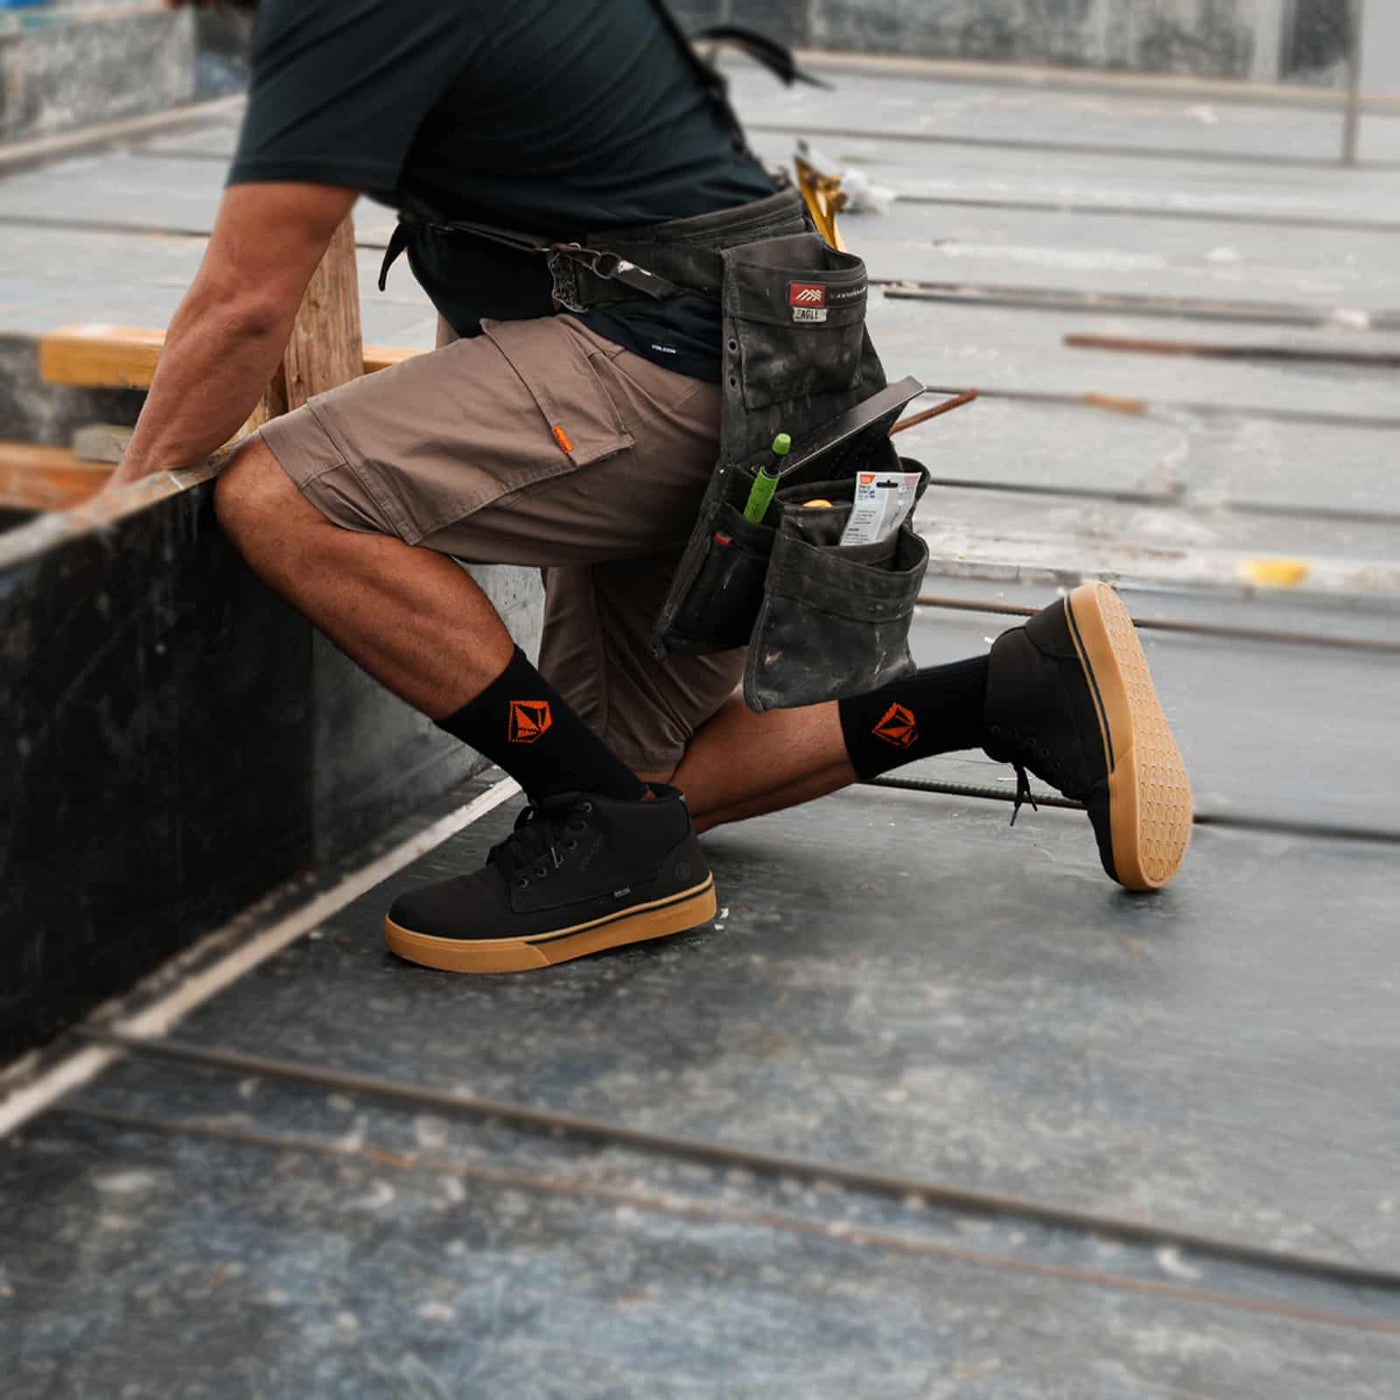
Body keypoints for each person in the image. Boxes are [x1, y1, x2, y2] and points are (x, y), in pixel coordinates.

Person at [115, 0, 1192, 974]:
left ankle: (596, 818)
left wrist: (107, 537)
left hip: (679, 374)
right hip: (777, 389)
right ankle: (1014, 689)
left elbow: (245, 307)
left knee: (279, 495)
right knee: (655, 783)